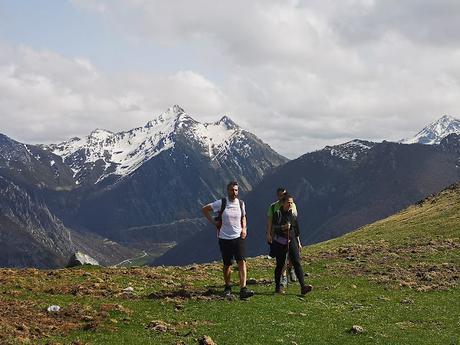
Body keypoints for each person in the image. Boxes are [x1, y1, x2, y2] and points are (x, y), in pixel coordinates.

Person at [202, 181, 254, 300]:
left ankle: (243, 289)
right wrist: (213, 222)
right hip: (224, 238)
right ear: (227, 191)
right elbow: (205, 209)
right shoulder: (221, 203)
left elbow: (243, 216)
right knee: (227, 264)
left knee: (242, 262)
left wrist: (244, 229)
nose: (234, 192)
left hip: (238, 237)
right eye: (232, 190)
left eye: (236, 190)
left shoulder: (241, 203)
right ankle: (228, 287)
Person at [268, 193, 312, 294]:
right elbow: (274, 228)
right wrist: (283, 228)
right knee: (280, 264)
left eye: (291, 203)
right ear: (283, 203)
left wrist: (299, 242)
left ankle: (303, 286)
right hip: (280, 242)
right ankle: (277, 287)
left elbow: (296, 230)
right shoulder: (277, 214)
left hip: (292, 240)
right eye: (288, 203)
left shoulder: (292, 215)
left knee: (296, 262)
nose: (290, 205)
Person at [267, 187, 298, 286]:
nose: (282, 197)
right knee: (281, 258)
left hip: (290, 234)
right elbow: (270, 221)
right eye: (280, 195)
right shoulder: (273, 207)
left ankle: (290, 268)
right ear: (277, 195)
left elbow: (295, 220)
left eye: (283, 195)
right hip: (278, 236)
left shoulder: (291, 205)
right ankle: (284, 276)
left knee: (292, 255)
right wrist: (269, 234)